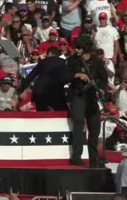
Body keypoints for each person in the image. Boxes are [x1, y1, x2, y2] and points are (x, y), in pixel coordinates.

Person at [65, 35, 108, 167]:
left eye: (78, 47)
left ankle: (94, 159)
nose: (75, 49)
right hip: (79, 95)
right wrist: (77, 75)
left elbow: (103, 79)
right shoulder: (72, 60)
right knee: (78, 124)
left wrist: (100, 89)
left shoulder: (96, 62)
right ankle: (76, 156)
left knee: (94, 127)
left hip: (92, 97)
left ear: (85, 49)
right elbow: (64, 75)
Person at [18, 47, 67, 111]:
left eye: (46, 54)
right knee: (60, 113)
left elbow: (30, 77)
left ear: (50, 53)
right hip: (56, 91)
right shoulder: (64, 62)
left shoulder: (43, 62)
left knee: (42, 114)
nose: (46, 55)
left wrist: (21, 89)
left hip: (40, 92)